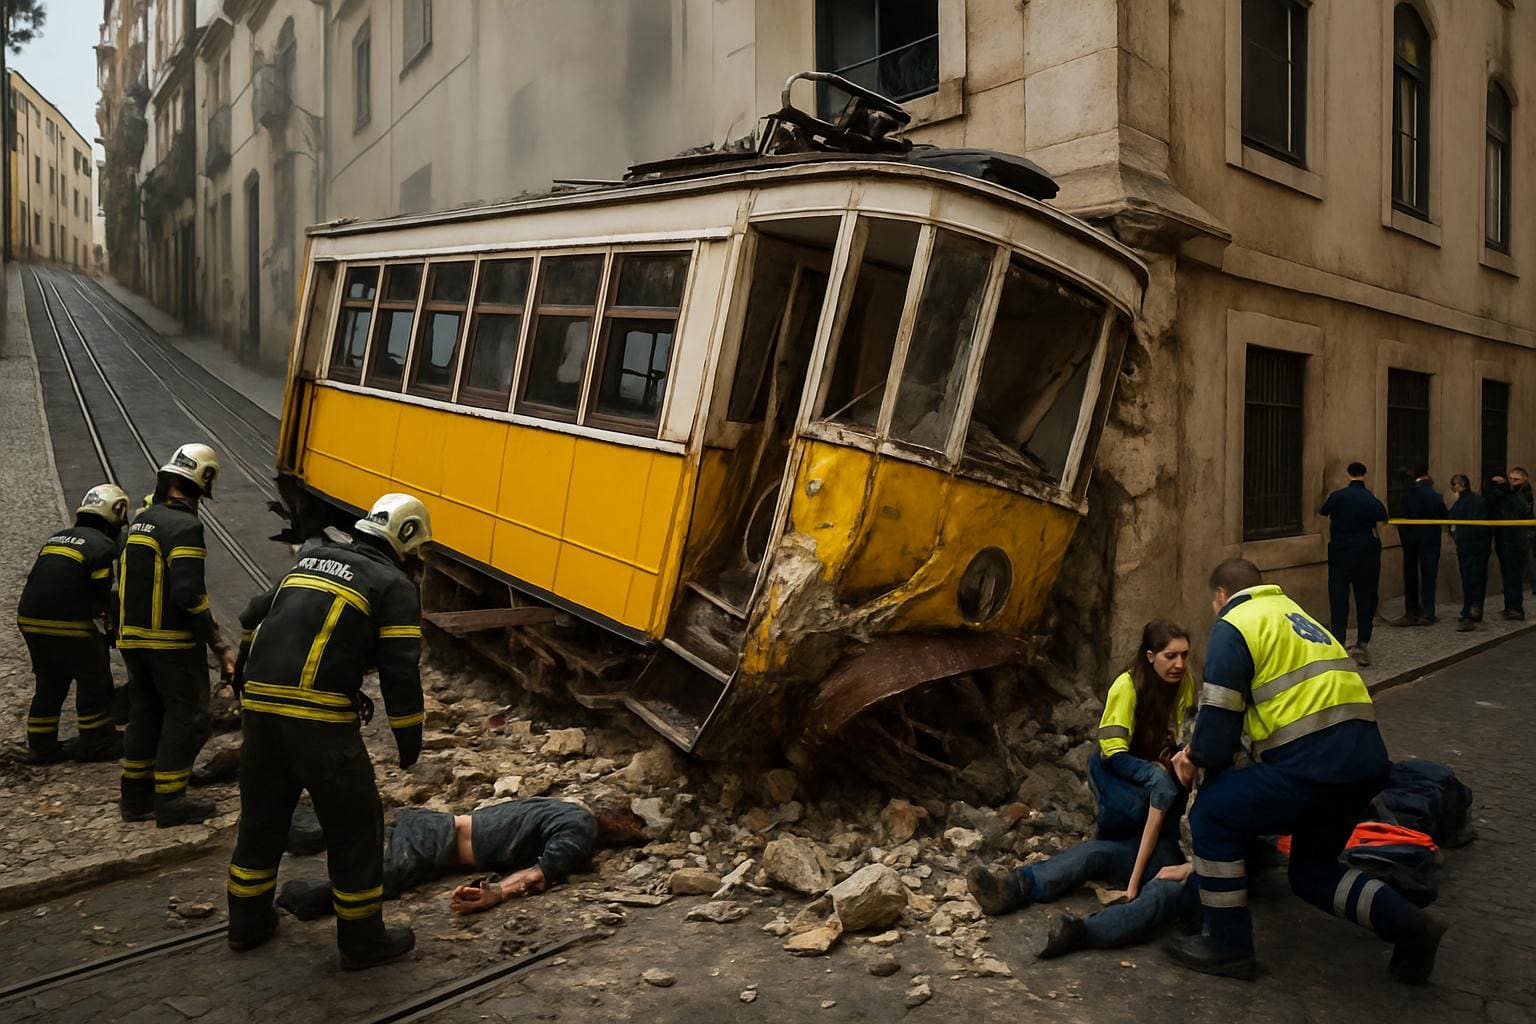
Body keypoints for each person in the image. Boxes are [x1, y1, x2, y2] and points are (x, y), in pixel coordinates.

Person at [1164, 559, 1446, 983]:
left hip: (1309, 767)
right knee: (1312, 871)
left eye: (1213, 602)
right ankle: (1411, 925)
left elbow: (1218, 736)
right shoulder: (1300, 619)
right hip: (1365, 767)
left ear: (1221, 596)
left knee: (1213, 812)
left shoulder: (1234, 624)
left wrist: (1192, 756)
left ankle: (1226, 944)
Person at [225, 493, 431, 971]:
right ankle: (362, 941)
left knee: (261, 821)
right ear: (405, 539)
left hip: (259, 713)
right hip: (319, 725)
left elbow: (253, 619)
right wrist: (409, 738)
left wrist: (243, 683)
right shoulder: (393, 585)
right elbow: (402, 671)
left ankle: (246, 925)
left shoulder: (310, 557)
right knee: (356, 829)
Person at [966, 620, 1194, 916]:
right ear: (1150, 656)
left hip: (1160, 846)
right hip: (1117, 770)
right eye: (1171, 656)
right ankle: (1016, 886)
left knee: (1102, 854)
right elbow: (1113, 752)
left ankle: (1020, 887)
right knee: (1103, 846)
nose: (1179, 664)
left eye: (1185, 655)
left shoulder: (1185, 690)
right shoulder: (1128, 687)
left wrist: (1135, 885)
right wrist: (1154, 772)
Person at [275, 798, 647, 919]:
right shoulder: (579, 830)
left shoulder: (565, 809)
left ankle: (303, 833)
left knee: (368, 828)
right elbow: (539, 872)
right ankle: (303, 897)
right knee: (385, 877)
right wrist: (497, 894)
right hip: (434, 839)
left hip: (428, 823)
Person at [117, 444, 234, 828]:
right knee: (187, 716)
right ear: (204, 482)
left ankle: (134, 799)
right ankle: (170, 800)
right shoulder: (186, 526)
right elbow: (188, 595)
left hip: (132, 639)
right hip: (169, 642)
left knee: (145, 714)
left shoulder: (144, 518)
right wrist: (217, 643)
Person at [16, 484, 132, 763]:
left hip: (29, 619)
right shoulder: (102, 546)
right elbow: (99, 596)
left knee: (50, 682)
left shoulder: (57, 538)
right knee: (94, 677)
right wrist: (110, 629)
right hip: (69, 622)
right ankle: (96, 740)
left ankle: (42, 744)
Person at [1319, 462, 1387, 665]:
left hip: (1341, 550)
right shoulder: (1371, 499)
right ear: (1364, 475)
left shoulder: (1338, 496)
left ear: (1348, 474)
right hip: (1366, 551)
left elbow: (1323, 514)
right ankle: (1362, 641)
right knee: (1365, 596)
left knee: (1339, 595)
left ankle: (1338, 640)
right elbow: (1382, 521)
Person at [1391, 468, 1447, 627]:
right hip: (1429, 538)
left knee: (1410, 575)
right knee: (1429, 575)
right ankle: (1427, 613)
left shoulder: (1405, 495)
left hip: (1409, 538)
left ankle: (1411, 611)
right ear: (1425, 476)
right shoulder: (1433, 494)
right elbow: (1443, 514)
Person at [1447, 474, 1491, 632]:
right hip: (1473, 546)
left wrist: (1458, 536)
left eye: (1455, 484)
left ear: (1463, 485)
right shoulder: (1468, 501)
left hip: (1471, 546)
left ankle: (1472, 610)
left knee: (1472, 579)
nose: (1453, 487)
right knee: (1473, 578)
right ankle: (1472, 609)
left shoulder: (1470, 502)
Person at [1488, 469, 1530, 620]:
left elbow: (1521, 510)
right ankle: (1510, 606)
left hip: (1516, 540)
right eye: (1511, 479)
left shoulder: (1524, 495)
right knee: (1508, 574)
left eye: (1516, 479)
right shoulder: (1510, 494)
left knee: (1514, 575)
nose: (1512, 482)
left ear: (1524, 479)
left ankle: (1516, 608)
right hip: (1506, 538)